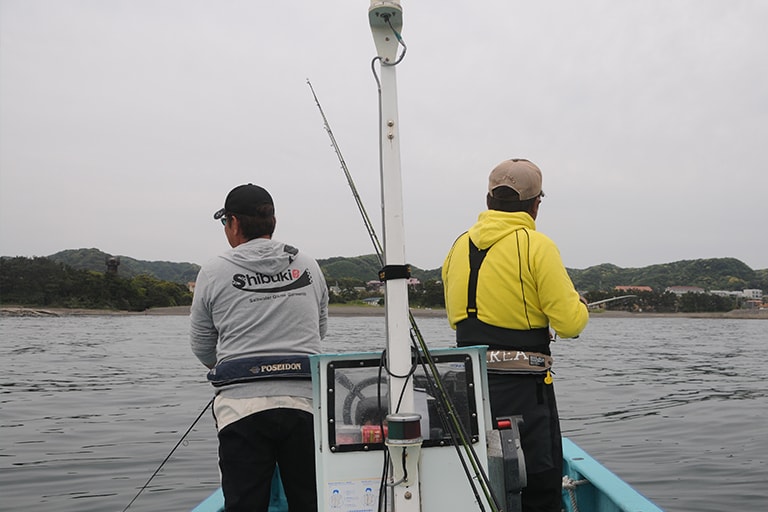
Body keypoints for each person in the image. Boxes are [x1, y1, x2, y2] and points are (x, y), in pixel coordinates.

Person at [441, 159, 589, 512]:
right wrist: (580, 305)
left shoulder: (457, 247)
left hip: (469, 388)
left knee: (480, 483)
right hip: (525, 392)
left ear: (489, 200)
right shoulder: (537, 245)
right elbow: (569, 324)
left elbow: (454, 320)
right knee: (537, 486)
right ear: (536, 204)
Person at [190, 183, 329, 512]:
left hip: (242, 408)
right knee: (310, 501)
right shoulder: (308, 265)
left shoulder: (213, 271)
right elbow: (319, 330)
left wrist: (234, 362)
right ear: (273, 222)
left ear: (234, 223)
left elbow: (201, 346)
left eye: (225, 223)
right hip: (306, 404)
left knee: (245, 504)